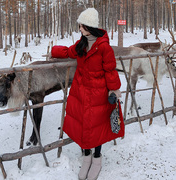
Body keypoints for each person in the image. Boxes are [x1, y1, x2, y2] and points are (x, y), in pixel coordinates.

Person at [51, 8, 125, 180]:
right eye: (79, 26)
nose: (80, 29)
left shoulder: (104, 47)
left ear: (91, 27)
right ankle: (86, 158)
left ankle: (97, 159)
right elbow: (68, 52)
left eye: (82, 26)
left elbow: (110, 70)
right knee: (83, 125)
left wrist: (114, 91)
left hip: (98, 94)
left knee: (96, 127)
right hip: (80, 91)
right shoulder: (81, 44)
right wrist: (54, 51)